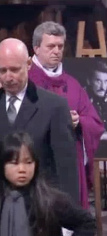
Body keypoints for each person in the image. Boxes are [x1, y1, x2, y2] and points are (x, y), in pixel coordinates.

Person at [0, 37, 79, 204]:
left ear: (28, 64)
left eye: (14, 69)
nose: (8, 77)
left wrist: (67, 219)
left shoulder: (54, 106)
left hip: (42, 209)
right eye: (2, 70)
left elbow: (66, 168)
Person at [29, 21, 104, 209]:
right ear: (36, 48)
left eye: (60, 46)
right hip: (36, 163)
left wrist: (79, 122)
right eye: (50, 46)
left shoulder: (73, 85)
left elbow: (94, 122)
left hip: (69, 163)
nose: (56, 51)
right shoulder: (25, 82)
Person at [86, 58, 107, 128]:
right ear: (89, 81)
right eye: (98, 81)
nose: (103, 87)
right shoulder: (81, 99)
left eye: (106, 81)